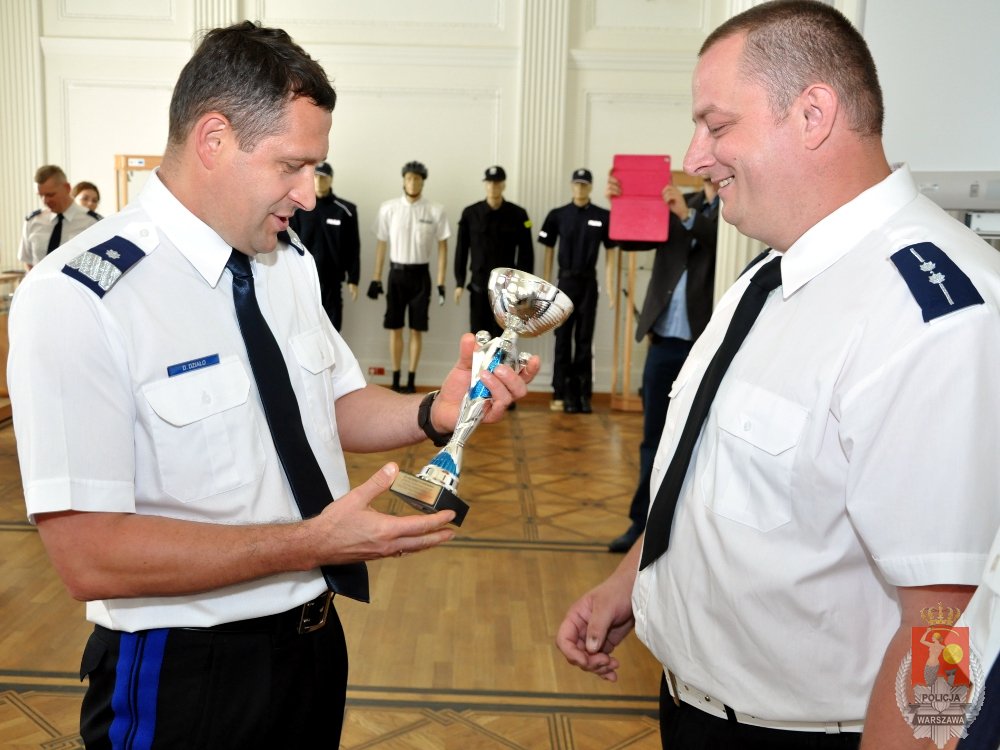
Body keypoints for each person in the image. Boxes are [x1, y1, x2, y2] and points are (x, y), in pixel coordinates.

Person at [7, 22, 538, 749]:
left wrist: (433, 412)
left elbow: (333, 403)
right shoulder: (80, 296)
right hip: (185, 673)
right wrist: (310, 542)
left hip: (312, 646)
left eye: (315, 168)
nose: (310, 196)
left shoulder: (286, 263)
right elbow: (89, 555)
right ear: (214, 139)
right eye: (293, 166)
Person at [556, 2, 1000, 748]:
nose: (695, 156)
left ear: (812, 115)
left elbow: (943, 621)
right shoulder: (772, 275)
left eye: (717, 125)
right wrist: (628, 584)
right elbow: (711, 472)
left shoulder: (935, 319)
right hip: (691, 708)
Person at [607, 177, 719, 553]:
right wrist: (623, 206)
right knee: (652, 438)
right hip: (663, 343)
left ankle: (686, 533)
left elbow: (718, 242)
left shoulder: (738, 208)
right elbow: (631, 239)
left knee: (701, 441)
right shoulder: (678, 203)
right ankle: (641, 526)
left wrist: (688, 217)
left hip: (706, 345)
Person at [538, 168, 618, 413]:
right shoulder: (558, 215)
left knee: (584, 339)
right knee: (562, 338)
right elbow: (548, 250)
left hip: (588, 283)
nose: (580, 188)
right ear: (571, 186)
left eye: (584, 185)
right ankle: (561, 392)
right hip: (564, 284)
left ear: (591, 187)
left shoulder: (603, 216)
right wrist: (545, 285)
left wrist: (610, 287)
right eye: (577, 184)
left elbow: (611, 253)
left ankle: (583, 394)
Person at [369, 160, 450, 393]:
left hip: (420, 276)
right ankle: (395, 379)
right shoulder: (389, 208)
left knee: (416, 328)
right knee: (395, 327)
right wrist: (376, 277)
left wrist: (441, 282)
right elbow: (381, 243)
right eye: (409, 178)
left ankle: (411, 379)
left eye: (417, 178)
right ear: (403, 180)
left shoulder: (435, 210)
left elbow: (443, 246)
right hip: (396, 274)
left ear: (423, 181)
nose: (413, 182)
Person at [454, 165, 534, 339]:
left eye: (497, 183)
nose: (493, 186)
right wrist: (460, 282)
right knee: (479, 335)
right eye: (489, 182)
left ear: (504, 185)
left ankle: (500, 359)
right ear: (485, 184)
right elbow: (461, 250)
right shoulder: (470, 214)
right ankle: (479, 359)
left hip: (506, 291)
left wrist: (525, 287)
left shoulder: (518, 215)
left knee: (504, 337)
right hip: (479, 287)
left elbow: (526, 253)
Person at [288, 161, 360, 330]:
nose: (320, 182)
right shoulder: (297, 208)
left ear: (331, 180)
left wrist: (353, 278)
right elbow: (288, 243)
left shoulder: (345, 210)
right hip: (304, 279)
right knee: (306, 328)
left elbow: (353, 246)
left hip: (332, 281)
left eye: (324, 178)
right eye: (316, 177)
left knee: (332, 329)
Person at [18, 165, 100, 270]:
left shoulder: (93, 223)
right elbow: (28, 261)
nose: (45, 201)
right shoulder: (33, 221)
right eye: (41, 195)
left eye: (50, 195)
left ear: (67, 188)